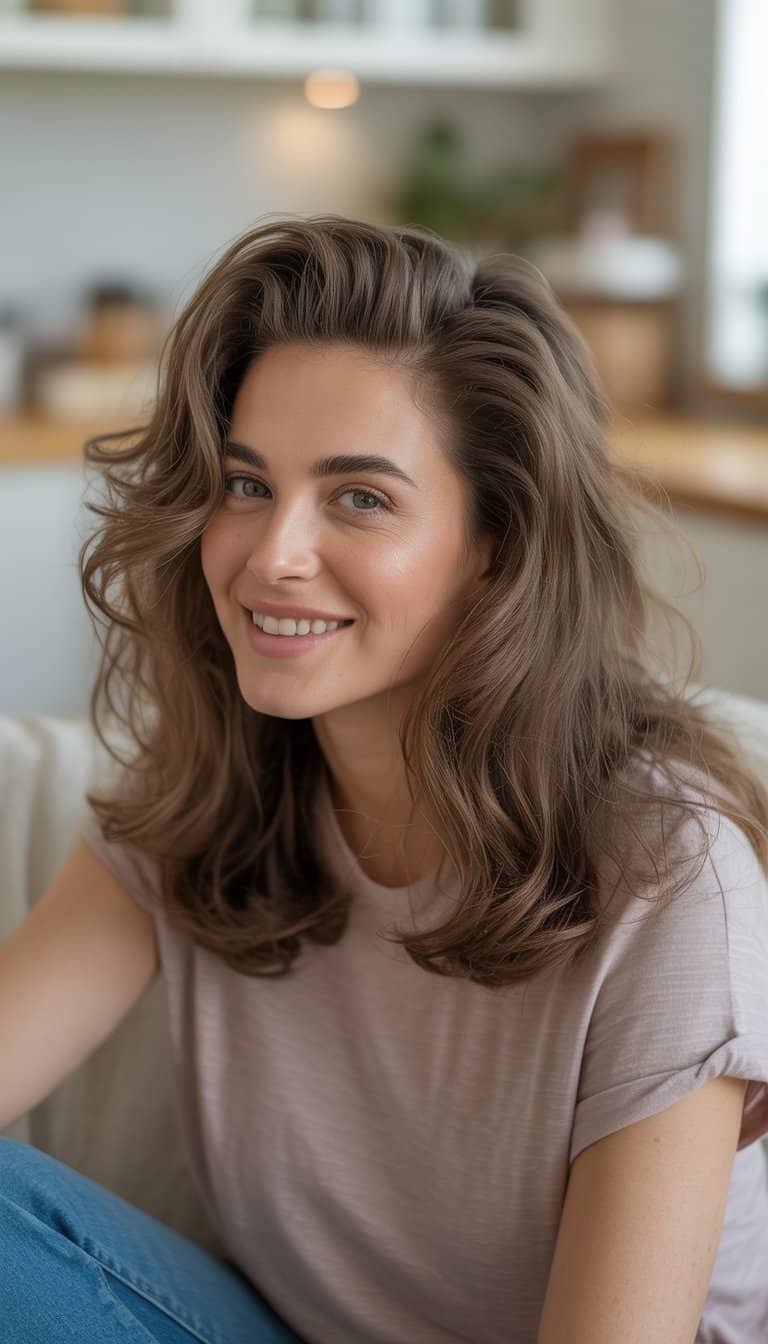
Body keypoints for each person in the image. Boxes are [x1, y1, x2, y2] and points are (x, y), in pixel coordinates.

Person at [2, 213, 768, 1343]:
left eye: (359, 497)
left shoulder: (671, 880)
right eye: (247, 484)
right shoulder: (208, 794)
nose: (272, 555)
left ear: (497, 544)